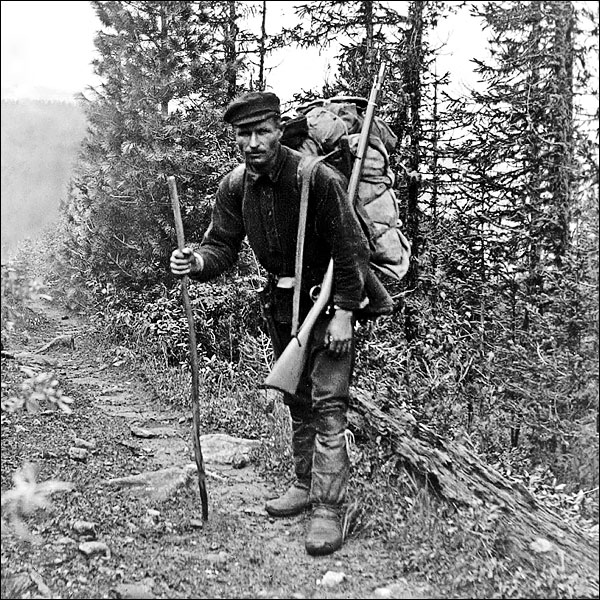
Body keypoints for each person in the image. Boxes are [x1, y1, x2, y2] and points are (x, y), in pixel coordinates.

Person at [170, 91, 370, 556]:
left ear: (280, 130)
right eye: (245, 134)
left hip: (327, 302)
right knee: (297, 400)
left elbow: (352, 249)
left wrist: (344, 313)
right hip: (282, 305)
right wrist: (195, 261)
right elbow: (222, 246)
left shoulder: (315, 177)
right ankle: (304, 484)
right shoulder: (235, 187)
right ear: (236, 138)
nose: (254, 142)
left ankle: (328, 509)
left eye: (263, 131)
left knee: (329, 406)